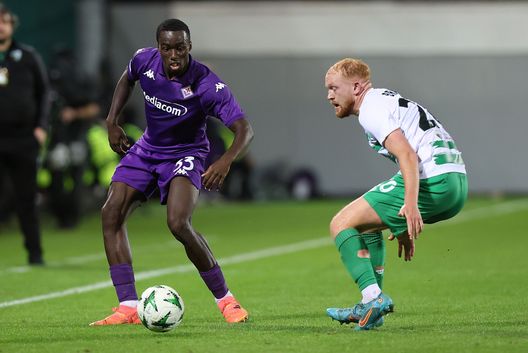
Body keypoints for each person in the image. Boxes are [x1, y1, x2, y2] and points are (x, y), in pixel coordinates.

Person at [90, 19, 254, 326]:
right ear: (159, 48)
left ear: (189, 46)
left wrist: (225, 160)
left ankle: (227, 301)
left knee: (178, 223)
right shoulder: (144, 60)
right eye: (167, 48)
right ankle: (127, 307)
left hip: (186, 154)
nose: (174, 55)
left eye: (180, 47)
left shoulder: (207, 85)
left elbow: (244, 129)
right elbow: (126, 79)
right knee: (110, 213)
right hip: (148, 149)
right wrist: (112, 120)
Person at [323, 58, 467, 330]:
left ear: (356, 87)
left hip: (434, 181)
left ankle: (372, 298)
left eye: (333, 87)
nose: (329, 96)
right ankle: (372, 307)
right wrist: (398, 221)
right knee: (364, 226)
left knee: (341, 223)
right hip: (455, 181)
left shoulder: (371, 109)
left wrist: (409, 205)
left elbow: (407, 155)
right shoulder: (385, 100)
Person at [0, 4, 50, 265]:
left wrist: (41, 127)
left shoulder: (28, 56)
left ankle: (35, 252)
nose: (1, 25)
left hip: (23, 138)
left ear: (12, 25)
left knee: (26, 198)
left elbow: (44, 94)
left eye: (5, 21)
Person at [46, 47, 101, 228]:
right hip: (62, 137)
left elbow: (94, 107)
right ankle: (66, 216)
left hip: (72, 135)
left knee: (70, 176)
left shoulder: (75, 81)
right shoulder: (76, 79)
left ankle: (69, 216)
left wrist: (74, 114)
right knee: (66, 176)